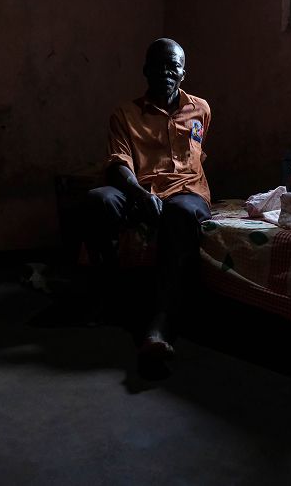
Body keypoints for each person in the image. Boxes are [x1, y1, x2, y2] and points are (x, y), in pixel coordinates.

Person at [85, 38, 212, 364]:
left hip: (187, 193)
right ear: (145, 70)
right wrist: (140, 194)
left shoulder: (201, 109)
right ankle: (107, 293)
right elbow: (118, 162)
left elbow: (198, 155)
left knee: (180, 212)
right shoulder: (124, 114)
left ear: (183, 73)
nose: (166, 72)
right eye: (158, 66)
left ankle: (160, 323)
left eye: (173, 67)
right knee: (99, 200)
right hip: (140, 191)